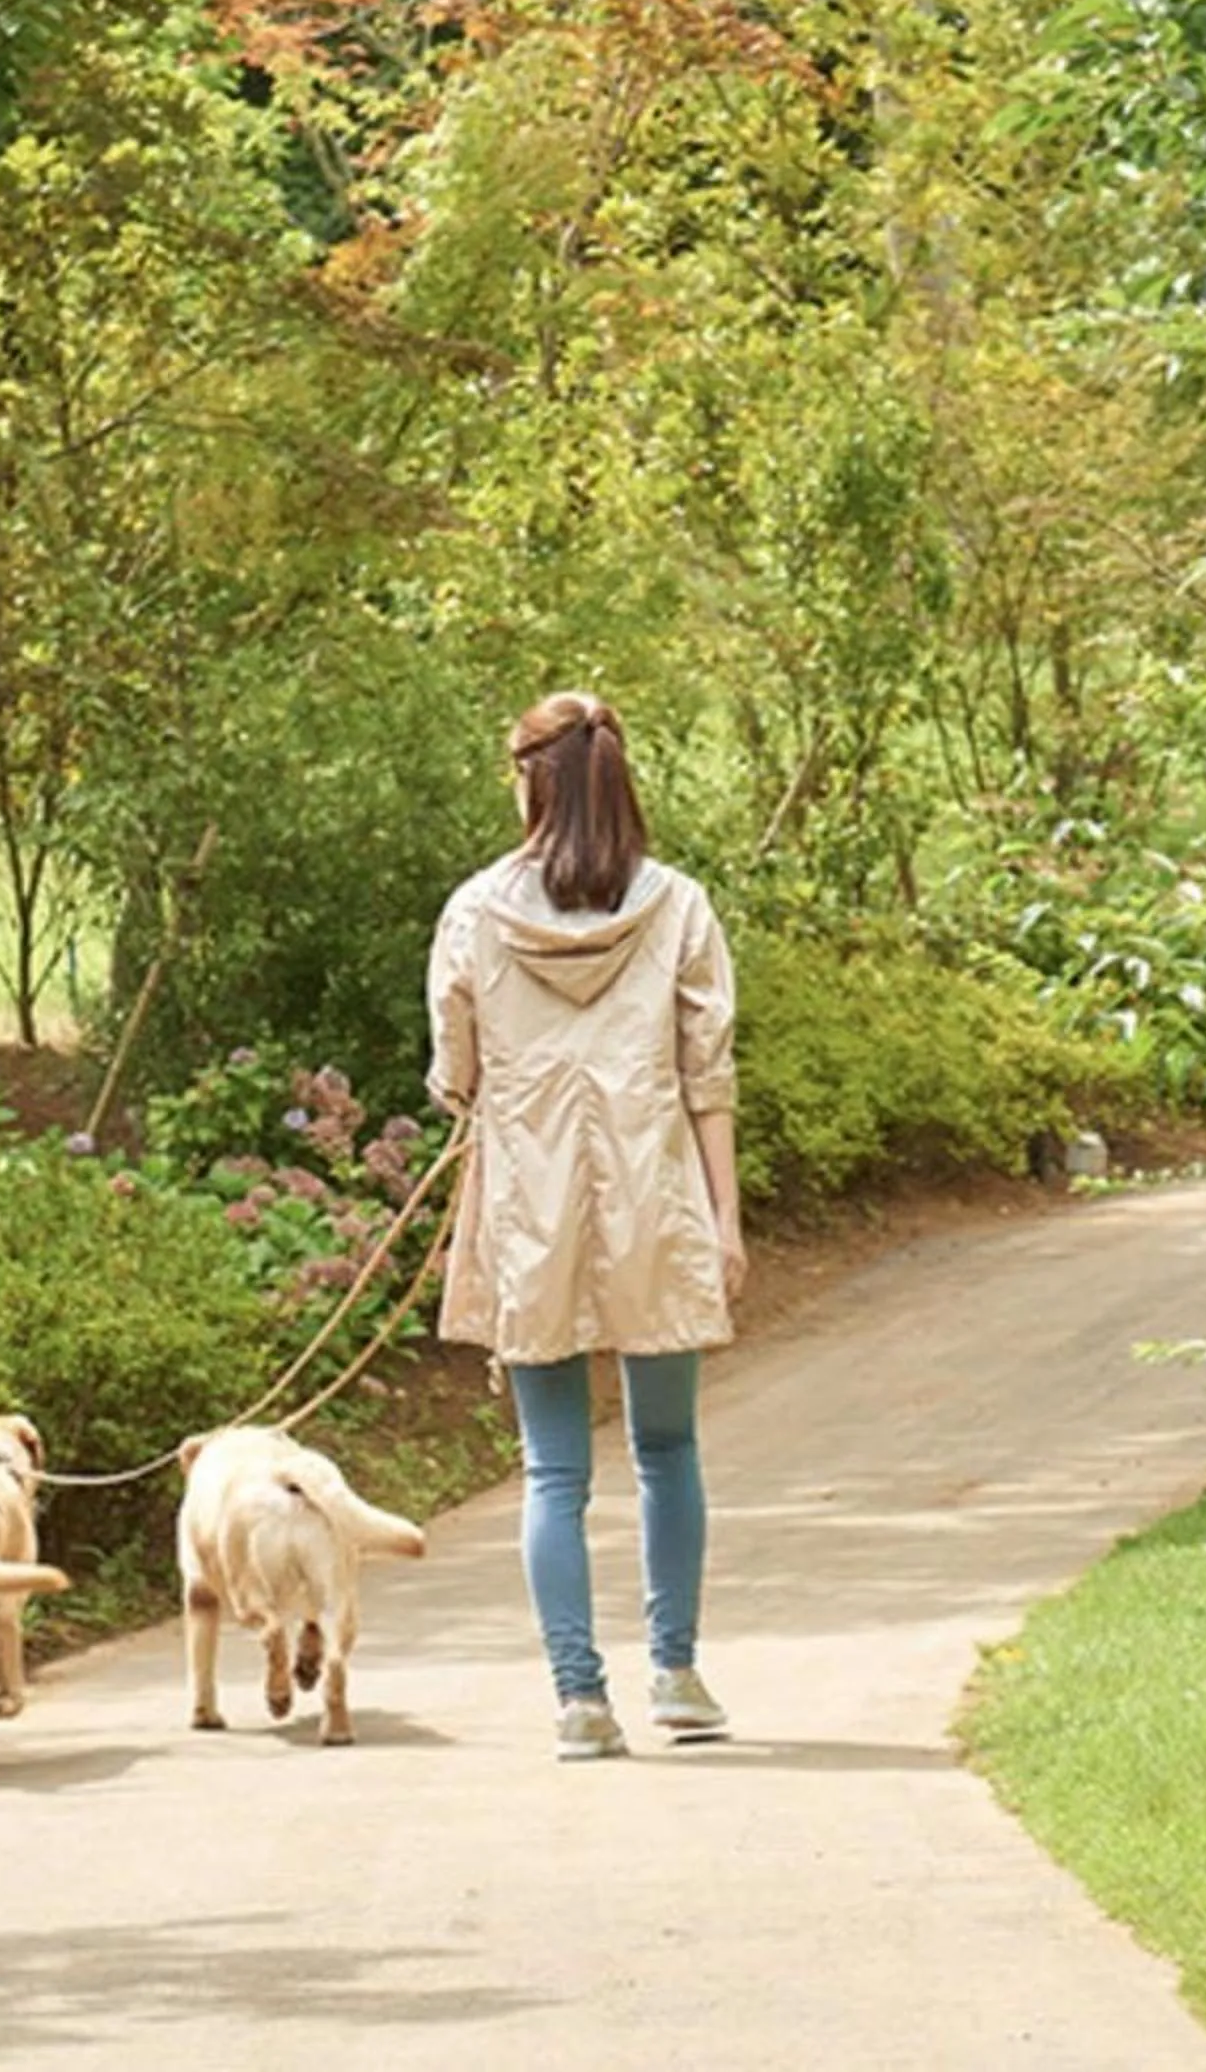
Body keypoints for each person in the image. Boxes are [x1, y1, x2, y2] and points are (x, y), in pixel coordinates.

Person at [425, 691, 747, 1760]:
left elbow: (455, 1076)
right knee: (668, 1447)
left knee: (554, 1471)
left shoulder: (475, 912)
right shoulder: (680, 907)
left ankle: (579, 1700)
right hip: (657, 1199)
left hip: (529, 1212)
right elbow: (711, 1079)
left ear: (532, 778)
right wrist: (728, 1220)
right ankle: (678, 1677)